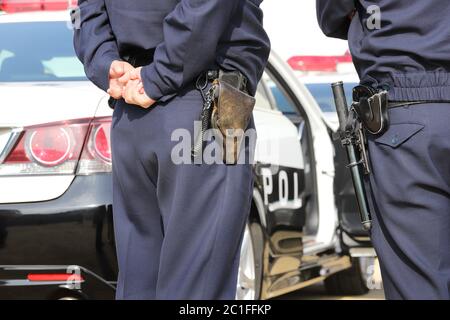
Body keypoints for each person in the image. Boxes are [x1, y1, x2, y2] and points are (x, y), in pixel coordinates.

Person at [73, 0, 270, 300]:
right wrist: (157, 77)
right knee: (198, 290)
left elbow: (86, 10)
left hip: (132, 110)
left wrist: (105, 63)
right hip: (199, 106)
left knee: (139, 285)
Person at [317, 0, 450, 299]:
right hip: (407, 108)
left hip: (406, 112)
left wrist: (378, 17)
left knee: (418, 283)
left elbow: (331, 14)